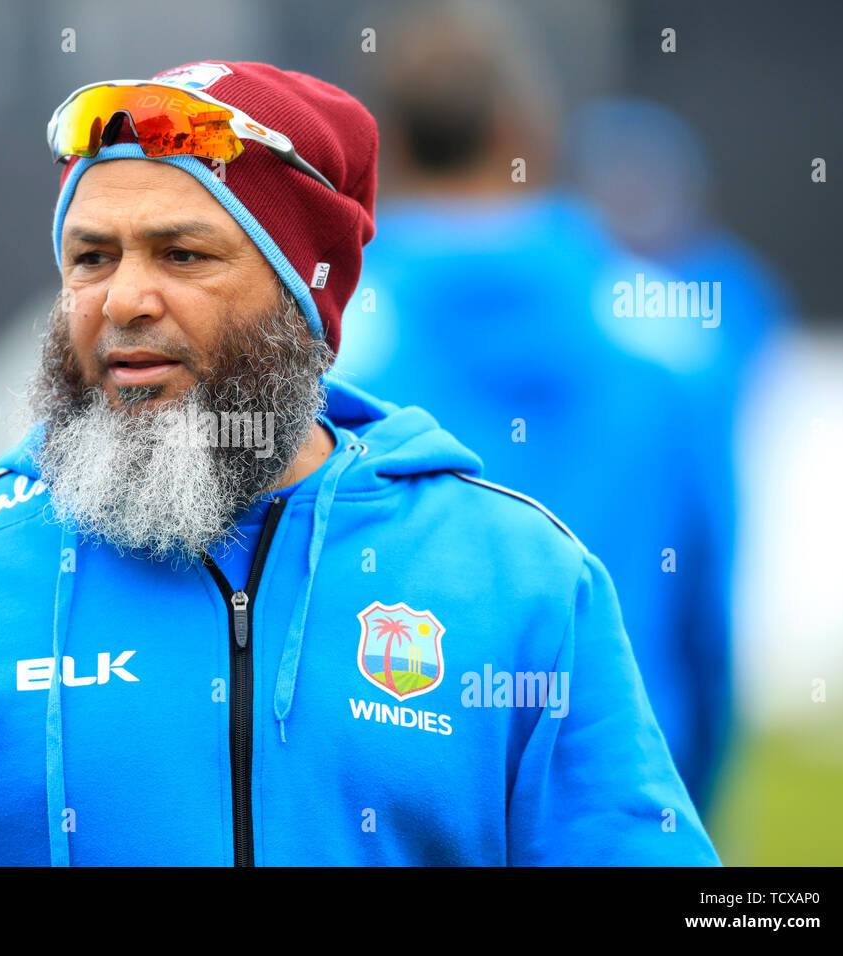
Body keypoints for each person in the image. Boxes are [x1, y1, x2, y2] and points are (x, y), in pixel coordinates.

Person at [0, 60, 719, 866]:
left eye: (183, 255)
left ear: (302, 307)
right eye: (92, 257)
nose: (125, 299)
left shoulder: (522, 582)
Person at [333, 6, 735, 817]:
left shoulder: (331, 346)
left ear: (390, 152)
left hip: (406, 795)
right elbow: (708, 616)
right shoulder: (669, 336)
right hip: (622, 789)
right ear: (528, 136)